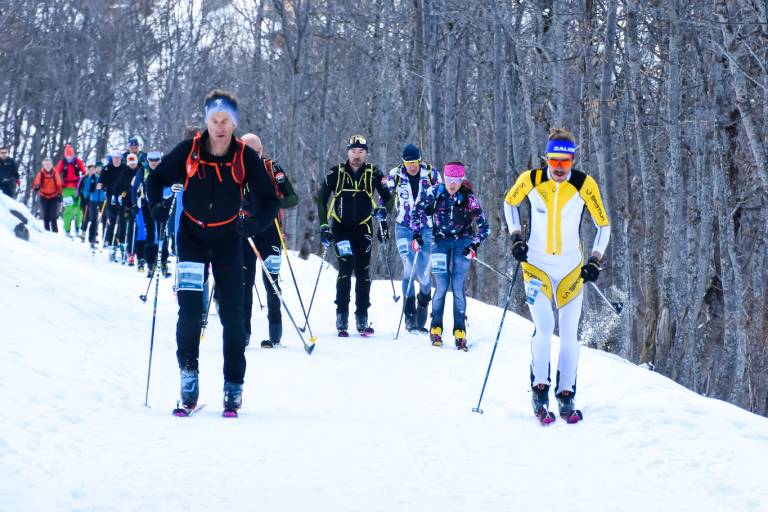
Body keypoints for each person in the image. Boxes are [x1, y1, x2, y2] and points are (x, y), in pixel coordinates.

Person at [146, 89, 279, 416]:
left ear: (233, 123)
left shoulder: (245, 156)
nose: (220, 127)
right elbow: (155, 180)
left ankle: (233, 386)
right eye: (214, 120)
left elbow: (270, 199)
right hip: (191, 239)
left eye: (226, 121)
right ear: (207, 120)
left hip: (227, 241)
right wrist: (158, 207)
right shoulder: (189, 151)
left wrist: (255, 223)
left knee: (233, 317)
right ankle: (188, 376)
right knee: (191, 312)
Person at [503, 128, 610, 423]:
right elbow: (509, 203)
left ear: (572, 160)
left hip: (571, 270)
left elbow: (604, 225)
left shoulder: (584, 184)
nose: (559, 168)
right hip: (535, 266)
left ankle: (566, 393)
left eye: (565, 161)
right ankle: (540, 387)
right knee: (545, 325)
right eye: (554, 160)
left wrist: (594, 260)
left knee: (569, 334)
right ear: (546, 158)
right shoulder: (531, 180)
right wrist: (516, 238)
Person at [316, 134, 392, 336]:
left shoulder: (374, 173)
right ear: (347, 152)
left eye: (361, 151)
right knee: (345, 266)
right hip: (341, 228)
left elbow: (388, 200)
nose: (357, 155)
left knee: (363, 272)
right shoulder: (336, 172)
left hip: (364, 228)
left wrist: (383, 213)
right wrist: (324, 226)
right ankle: (342, 316)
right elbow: (321, 200)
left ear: (366, 153)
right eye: (353, 151)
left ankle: (362, 317)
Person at [411, 162, 489, 351]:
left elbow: (484, 226)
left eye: (456, 180)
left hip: (463, 241)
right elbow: (416, 212)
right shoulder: (435, 192)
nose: (452, 184)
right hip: (440, 242)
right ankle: (436, 328)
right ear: (444, 178)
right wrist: (417, 235)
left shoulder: (468, 197)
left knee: (457, 286)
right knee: (442, 285)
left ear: (461, 180)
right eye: (449, 180)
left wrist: (474, 245)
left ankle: (459, 331)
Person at [239, 133, 299, 348]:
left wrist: (273, 204)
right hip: (245, 232)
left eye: (255, 152)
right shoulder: (234, 170)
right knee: (244, 283)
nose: (251, 156)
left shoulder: (272, 168)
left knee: (271, 282)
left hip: (270, 230)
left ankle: (275, 333)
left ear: (261, 151)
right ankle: (243, 334)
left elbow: (293, 197)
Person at [385, 143, 440, 333]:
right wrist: (382, 214)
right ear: (403, 162)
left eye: (415, 162)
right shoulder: (395, 175)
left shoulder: (432, 174)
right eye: (408, 163)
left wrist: (436, 207)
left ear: (420, 160)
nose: (412, 166)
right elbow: (386, 197)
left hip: (426, 228)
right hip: (404, 227)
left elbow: (441, 196)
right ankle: (409, 317)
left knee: (424, 274)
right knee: (409, 267)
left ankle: (423, 305)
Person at [55, 144, 86, 238]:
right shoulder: (62, 163)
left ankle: (77, 227)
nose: (69, 158)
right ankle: (67, 229)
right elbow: (56, 174)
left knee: (80, 210)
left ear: (73, 155)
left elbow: (84, 173)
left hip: (78, 188)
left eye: (70, 156)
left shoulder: (78, 162)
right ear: (65, 155)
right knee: (69, 210)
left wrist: (84, 183)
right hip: (66, 189)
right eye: (67, 156)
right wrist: (59, 189)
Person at [80, 162, 106, 249]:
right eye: (98, 168)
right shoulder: (92, 177)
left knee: (102, 220)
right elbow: (86, 190)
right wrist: (88, 196)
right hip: (93, 201)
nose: (99, 169)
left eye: (101, 167)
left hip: (103, 201)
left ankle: (105, 240)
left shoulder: (105, 177)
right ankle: (91, 239)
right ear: (95, 169)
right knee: (93, 220)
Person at [33, 157, 63, 232]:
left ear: (52, 164)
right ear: (44, 165)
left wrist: (60, 194)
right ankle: (46, 232)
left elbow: (59, 184)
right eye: (46, 164)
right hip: (44, 196)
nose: (48, 166)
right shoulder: (41, 173)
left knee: (53, 215)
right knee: (45, 215)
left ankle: (55, 232)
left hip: (53, 196)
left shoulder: (55, 173)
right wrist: (36, 187)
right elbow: (36, 182)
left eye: (49, 164)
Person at [78, 163, 96, 242]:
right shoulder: (84, 178)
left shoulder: (96, 178)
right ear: (88, 170)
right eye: (90, 170)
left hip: (94, 201)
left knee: (93, 218)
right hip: (85, 200)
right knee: (86, 217)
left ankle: (93, 236)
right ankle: (83, 234)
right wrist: (82, 197)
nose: (91, 171)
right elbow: (80, 188)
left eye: (93, 170)